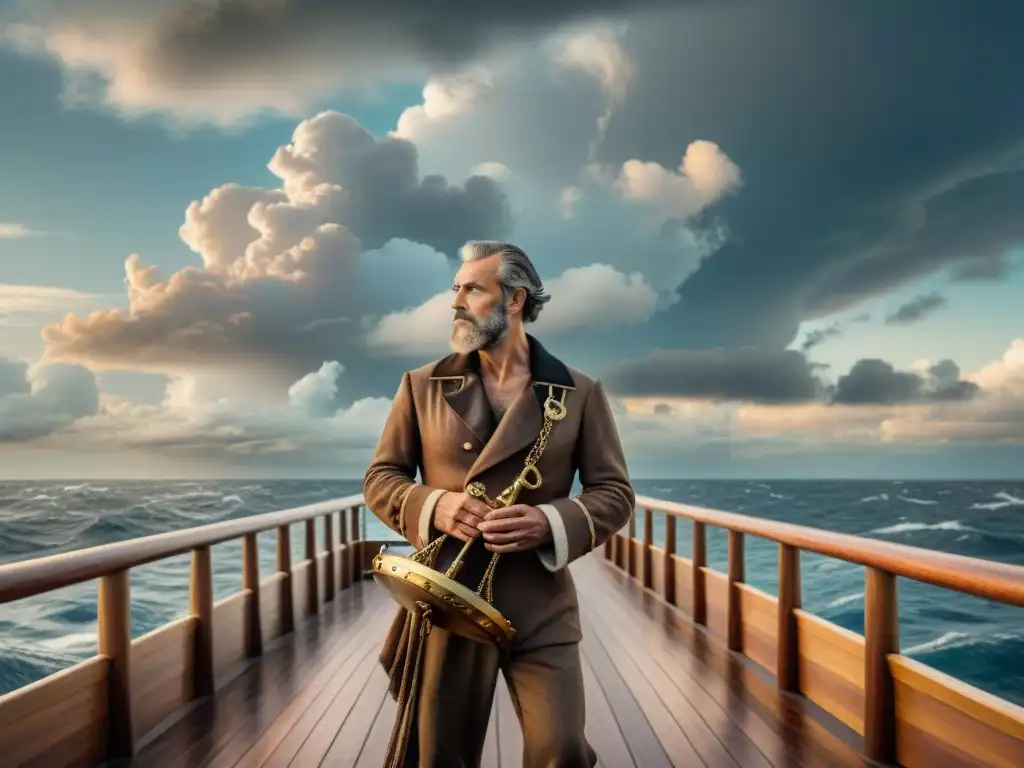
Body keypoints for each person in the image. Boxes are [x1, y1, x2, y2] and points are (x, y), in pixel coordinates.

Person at [363, 241, 635, 768]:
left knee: (562, 751)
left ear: (513, 300)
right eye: (456, 289)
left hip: (541, 603)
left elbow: (614, 493)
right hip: (448, 599)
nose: (456, 301)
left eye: (472, 289)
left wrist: (550, 521)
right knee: (440, 756)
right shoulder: (420, 385)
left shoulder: (579, 392)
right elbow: (381, 478)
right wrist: (434, 504)